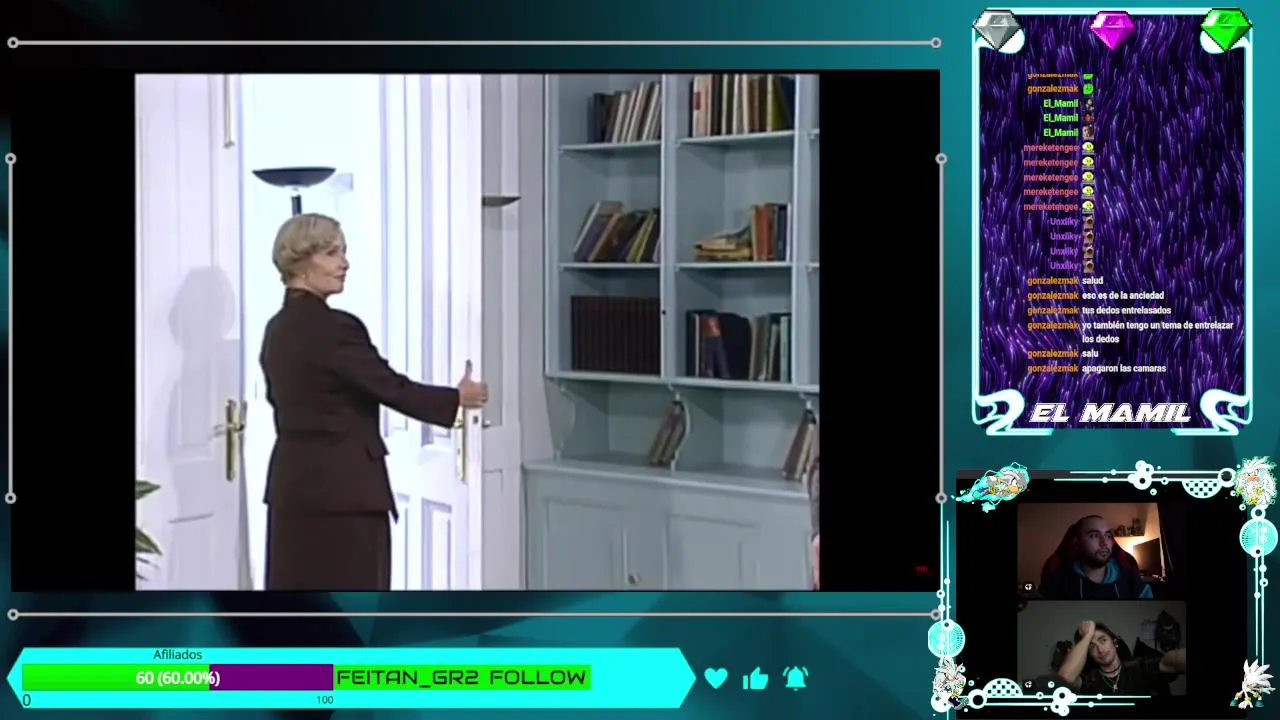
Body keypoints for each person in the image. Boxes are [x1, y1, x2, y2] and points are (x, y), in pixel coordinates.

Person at [259, 213, 488, 591]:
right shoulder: (335, 327)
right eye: (332, 253)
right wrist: (457, 398)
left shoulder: (276, 328)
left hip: (292, 488)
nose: (344, 263)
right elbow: (389, 387)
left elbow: (279, 398)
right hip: (344, 494)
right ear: (300, 263)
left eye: (343, 252)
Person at [1054, 620, 1186, 695]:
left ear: (1115, 643)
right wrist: (1087, 636)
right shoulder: (1090, 680)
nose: (1100, 649)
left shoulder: (1140, 666)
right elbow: (1066, 677)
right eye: (1092, 646)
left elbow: (1171, 662)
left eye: (1103, 640)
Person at [1039, 515, 1152, 599]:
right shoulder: (1058, 581)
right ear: (1077, 543)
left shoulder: (1130, 577)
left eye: (1108, 535)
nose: (1104, 543)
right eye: (1094, 535)